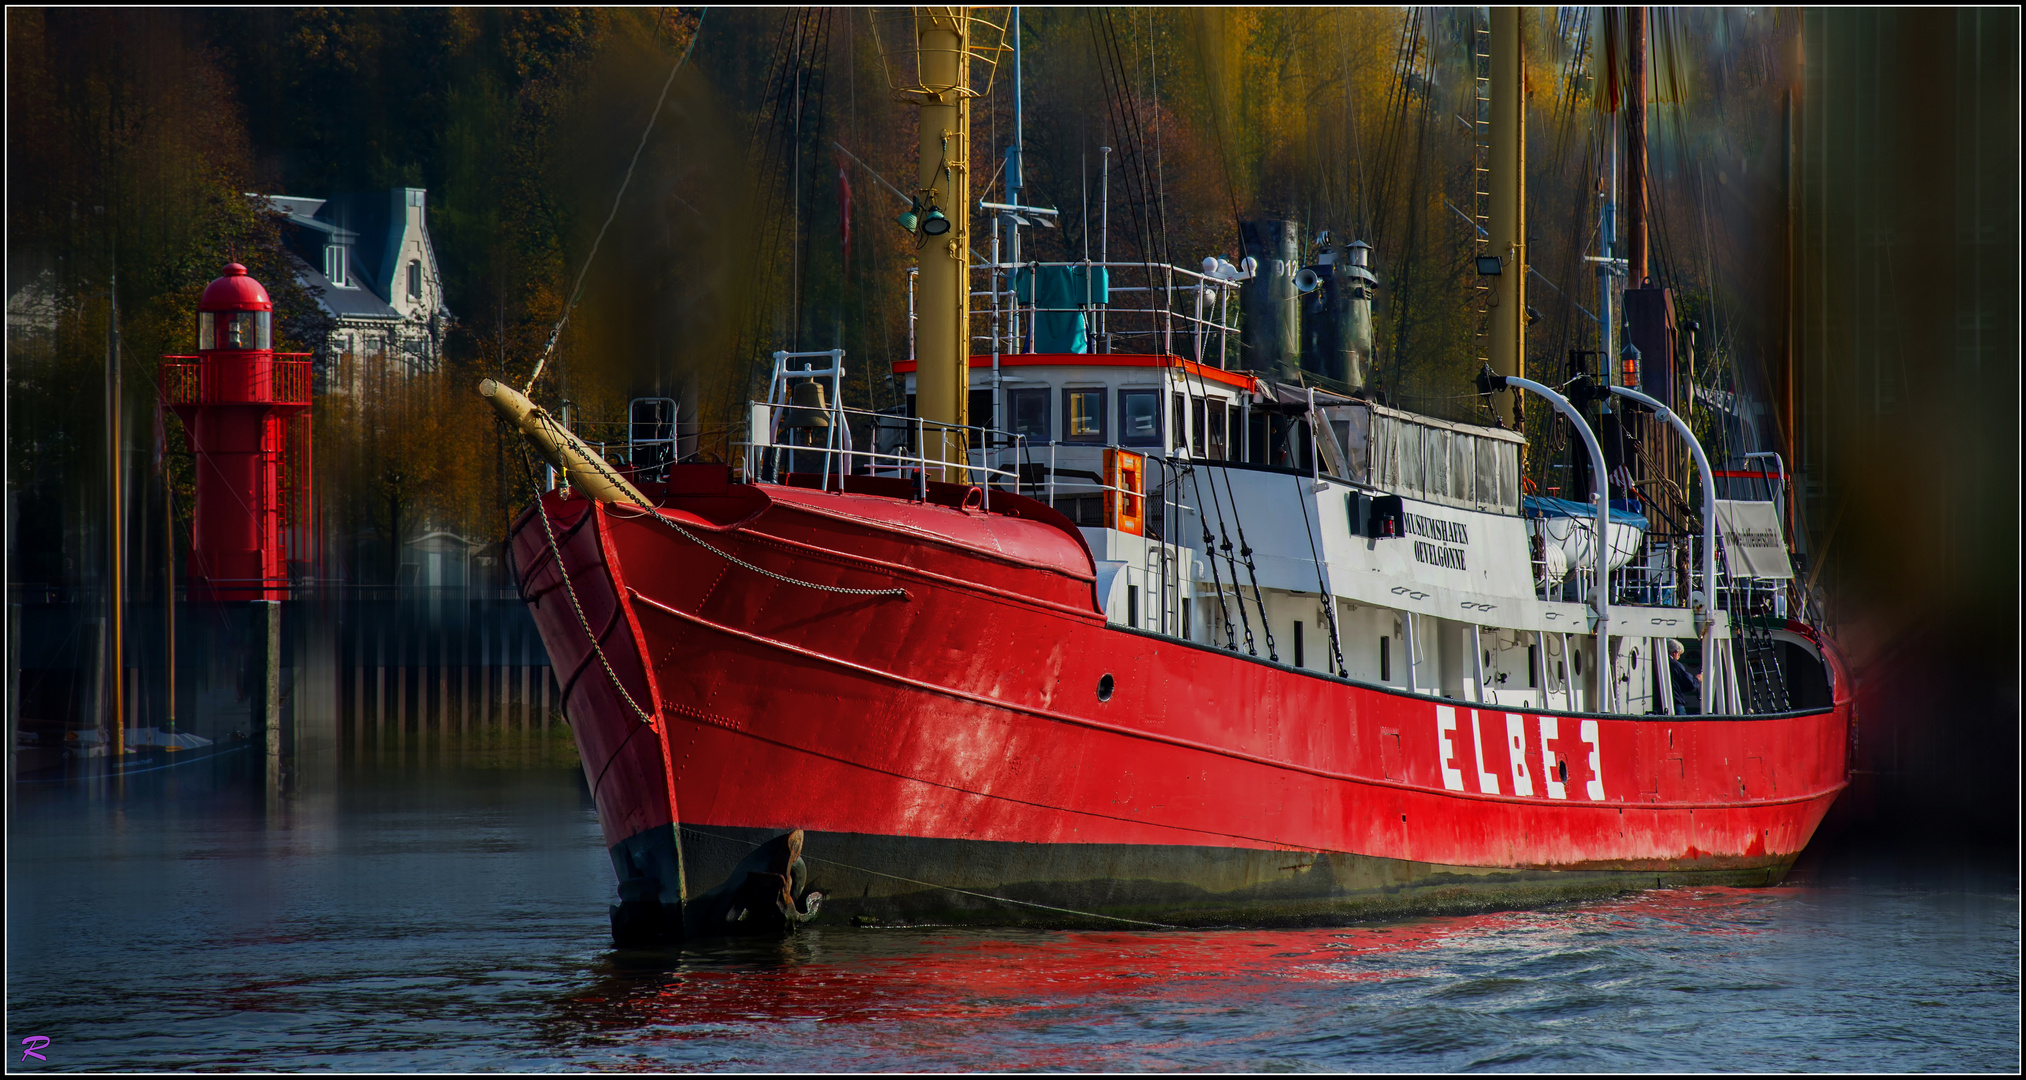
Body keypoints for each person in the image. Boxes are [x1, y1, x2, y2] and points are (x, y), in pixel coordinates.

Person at [1668, 640, 1701, 714]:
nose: (1679, 657)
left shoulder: (1659, 662)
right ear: (1675, 653)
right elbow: (1690, 684)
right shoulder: (1676, 665)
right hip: (1676, 703)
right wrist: (1697, 679)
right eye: (1679, 654)